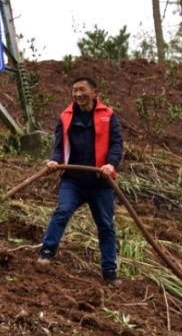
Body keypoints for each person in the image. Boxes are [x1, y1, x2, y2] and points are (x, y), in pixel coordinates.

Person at [37, 76, 124, 285]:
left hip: (100, 181)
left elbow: (116, 144)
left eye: (82, 90)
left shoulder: (108, 115)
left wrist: (111, 164)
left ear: (95, 92)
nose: (78, 94)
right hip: (73, 180)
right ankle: (47, 252)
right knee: (62, 211)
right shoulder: (66, 116)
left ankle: (109, 271)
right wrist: (54, 160)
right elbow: (59, 146)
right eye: (74, 90)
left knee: (105, 225)